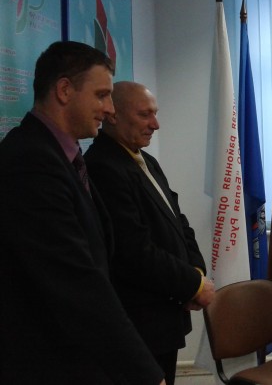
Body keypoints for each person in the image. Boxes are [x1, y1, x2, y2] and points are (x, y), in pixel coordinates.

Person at [0, 41, 165, 385]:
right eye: (101, 95)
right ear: (64, 90)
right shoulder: (30, 161)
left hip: (78, 356)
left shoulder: (64, 156)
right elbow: (76, 280)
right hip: (46, 362)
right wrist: (147, 374)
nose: (109, 109)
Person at [84, 82, 214, 385]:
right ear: (113, 115)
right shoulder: (102, 167)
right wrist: (192, 285)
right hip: (140, 321)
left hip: (166, 313)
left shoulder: (145, 160)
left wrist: (196, 272)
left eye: (154, 114)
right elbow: (133, 250)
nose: (155, 124)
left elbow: (178, 222)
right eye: (145, 115)